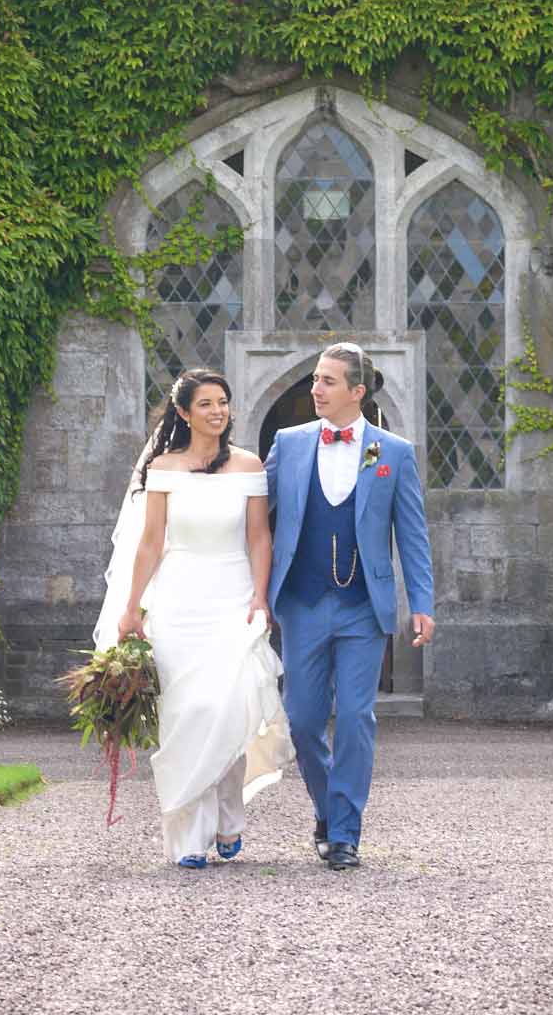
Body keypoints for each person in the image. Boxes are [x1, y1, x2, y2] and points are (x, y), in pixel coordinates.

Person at [95, 368, 293, 869]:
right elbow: (151, 542)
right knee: (187, 715)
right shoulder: (164, 467)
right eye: (206, 403)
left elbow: (258, 538)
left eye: (223, 402)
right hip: (179, 601)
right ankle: (189, 836)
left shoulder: (249, 465)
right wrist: (132, 606)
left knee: (225, 707)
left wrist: (260, 598)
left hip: (232, 598)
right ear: (184, 413)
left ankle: (228, 816)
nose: (218, 411)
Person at [265, 342, 435, 871]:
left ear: (357, 391)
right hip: (301, 602)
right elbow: (254, 517)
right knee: (302, 719)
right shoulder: (287, 444)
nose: (315, 389)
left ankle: (344, 833)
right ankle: (327, 808)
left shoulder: (394, 453)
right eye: (315, 379)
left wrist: (422, 602)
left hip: (364, 606)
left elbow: (412, 534)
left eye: (328, 381)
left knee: (357, 716)